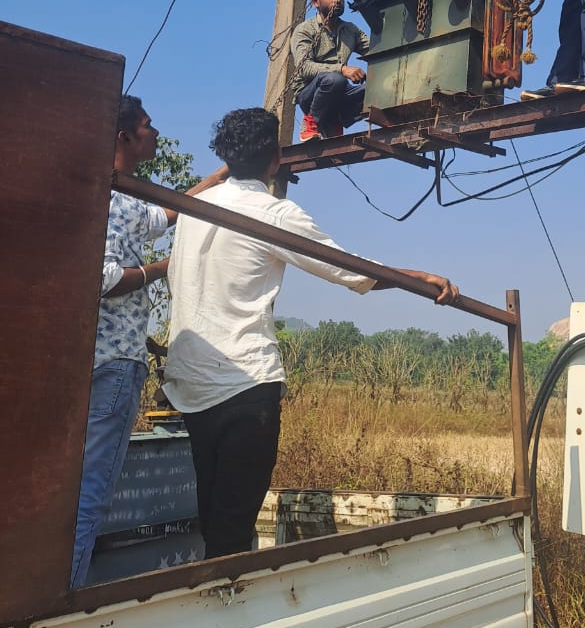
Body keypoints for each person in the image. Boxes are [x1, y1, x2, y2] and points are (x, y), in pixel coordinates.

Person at [163, 107, 458, 561]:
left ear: (225, 157)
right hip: (244, 385)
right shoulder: (272, 213)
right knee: (232, 532)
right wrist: (419, 277)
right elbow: (347, 269)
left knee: (216, 520)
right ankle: (229, 615)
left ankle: (218, 608)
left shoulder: (193, 209)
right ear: (275, 159)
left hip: (192, 386)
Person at [71, 96, 227, 589]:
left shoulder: (123, 194)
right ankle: (58, 601)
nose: (155, 132)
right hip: (113, 362)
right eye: (147, 125)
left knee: (76, 489)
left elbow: (168, 214)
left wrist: (220, 177)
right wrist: (163, 269)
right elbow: (107, 278)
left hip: (93, 361)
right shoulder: (112, 197)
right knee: (90, 494)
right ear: (124, 137)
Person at [290, 0, 370, 141]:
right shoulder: (305, 30)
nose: (338, 0)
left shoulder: (350, 30)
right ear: (315, 2)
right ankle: (311, 122)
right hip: (310, 94)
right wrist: (342, 69)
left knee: (376, 89)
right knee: (335, 79)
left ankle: (334, 119)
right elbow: (304, 68)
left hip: (339, 93)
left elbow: (374, 49)